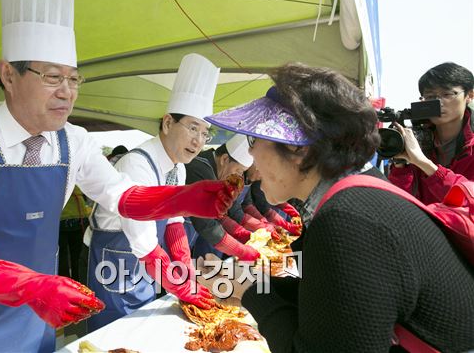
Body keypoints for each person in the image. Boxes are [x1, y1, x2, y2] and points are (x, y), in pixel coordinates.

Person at [0, 0, 238, 352]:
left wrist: (182, 198)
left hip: (37, 319)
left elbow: (121, 196)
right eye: (52, 77)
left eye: (73, 79)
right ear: (8, 75)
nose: (67, 93)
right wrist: (29, 286)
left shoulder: (72, 140)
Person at [200, 62, 474, 352]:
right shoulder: (362, 192)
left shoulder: (348, 220)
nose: (251, 152)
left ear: (298, 149)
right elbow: (331, 297)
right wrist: (249, 284)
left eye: (254, 139)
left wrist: (250, 293)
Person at [84, 53, 220, 331]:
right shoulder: (137, 164)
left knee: (143, 329)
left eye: (205, 133)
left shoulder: (178, 168)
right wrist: (181, 285)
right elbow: (145, 243)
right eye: (193, 127)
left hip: (145, 270)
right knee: (114, 336)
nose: (198, 140)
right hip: (115, 262)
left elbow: (174, 222)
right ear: (168, 122)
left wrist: (184, 267)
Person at [389, 62, 474, 204]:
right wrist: (400, 165)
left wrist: (424, 164)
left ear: (469, 95)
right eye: (430, 97)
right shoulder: (417, 141)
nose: (438, 102)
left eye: (447, 94)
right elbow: (398, 204)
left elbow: (468, 202)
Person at [185, 134, 261, 260]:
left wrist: (245, 234)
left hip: (190, 238)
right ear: (224, 159)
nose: (239, 176)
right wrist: (240, 250)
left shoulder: (221, 175)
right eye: (238, 170)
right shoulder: (198, 168)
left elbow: (224, 212)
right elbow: (207, 224)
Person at [59, 186, 90, 283]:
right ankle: (75, 287)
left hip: (75, 217)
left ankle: (65, 287)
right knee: (74, 258)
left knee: (63, 258)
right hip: (77, 217)